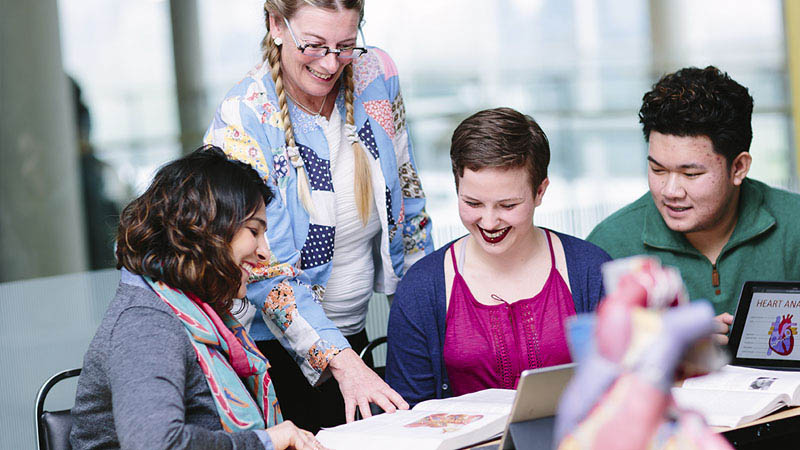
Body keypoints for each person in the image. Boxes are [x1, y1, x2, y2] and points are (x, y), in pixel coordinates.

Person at [204, 0, 433, 432]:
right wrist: (343, 363)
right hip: (268, 353)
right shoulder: (245, 116)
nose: (331, 64)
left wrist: (427, 317)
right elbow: (262, 269)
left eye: (345, 45)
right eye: (314, 46)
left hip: (353, 339)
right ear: (276, 24)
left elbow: (408, 199)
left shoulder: (375, 75)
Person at [70, 147, 325, 450]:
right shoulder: (145, 323)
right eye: (253, 231)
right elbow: (155, 444)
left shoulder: (193, 310)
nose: (264, 253)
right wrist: (266, 441)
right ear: (208, 228)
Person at [385, 108, 611, 407]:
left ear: (540, 191)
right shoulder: (423, 288)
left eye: (507, 205)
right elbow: (406, 413)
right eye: (473, 203)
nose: (489, 223)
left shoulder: (590, 270)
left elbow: (628, 386)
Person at [587, 66, 800, 335]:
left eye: (691, 173)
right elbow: (595, 359)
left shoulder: (794, 225)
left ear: (738, 168)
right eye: (658, 170)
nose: (670, 191)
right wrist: (672, 343)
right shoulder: (610, 245)